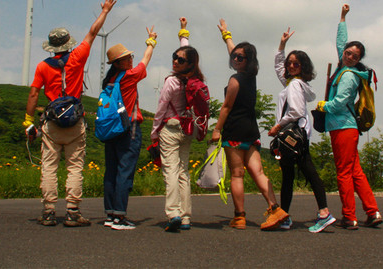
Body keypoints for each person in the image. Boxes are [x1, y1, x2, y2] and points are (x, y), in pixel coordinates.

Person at [24, 0, 116, 227]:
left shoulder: (42, 67)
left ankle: (48, 212)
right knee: (74, 167)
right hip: (75, 121)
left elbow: (33, 94)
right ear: (68, 43)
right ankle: (73, 212)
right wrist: (105, 11)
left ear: (51, 46)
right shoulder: (78, 57)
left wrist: (28, 121)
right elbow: (93, 33)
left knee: (49, 167)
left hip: (52, 123)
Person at [211, 19, 288, 231]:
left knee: (237, 174)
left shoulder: (235, 79)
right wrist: (226, 35)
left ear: (247, 61)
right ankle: (275, 209)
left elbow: (226, 107)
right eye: (234, 56)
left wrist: (216, 130)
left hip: (234, 131)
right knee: (258, 172)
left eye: (240, 57)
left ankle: (239, 217)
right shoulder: (251, 76)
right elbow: (236, 51)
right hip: (251, 131)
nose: (235, 59)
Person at [316, 4, 383, 230]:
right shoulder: (344, 67)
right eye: (348, 53)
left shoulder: (348, 76)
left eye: (355, 55)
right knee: (355, 171)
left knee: (344, 173)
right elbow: (340, 42)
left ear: (358, 59)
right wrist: (342, 18)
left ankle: (349, 216)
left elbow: (339, 103)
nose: (350, 56)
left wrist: (324, 106)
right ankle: (372, 212)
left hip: (342, 127)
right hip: (347, 128)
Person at [268, 28, 336, 233]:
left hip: (293, 135)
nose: (290, 66)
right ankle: (286, 216)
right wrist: (282, 45)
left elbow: (296, 111)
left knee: (304, 173)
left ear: (303, 67)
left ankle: (323, 213)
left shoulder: (295, 85)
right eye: (289, 63)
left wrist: (277, 126)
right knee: (292, 175)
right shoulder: (294, 83)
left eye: (295, 64)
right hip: (299, 135)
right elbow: (278, 66)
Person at [102, 25, 158, 230]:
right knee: (125, 171)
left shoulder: (108, 82)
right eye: (127, 58)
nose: (131, 60)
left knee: (111, 171)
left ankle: (110, 214)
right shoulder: (129, 76)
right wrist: (151, 41)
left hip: (111, 130)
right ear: (118, 63)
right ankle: (119, 216)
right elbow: (146, 59)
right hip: (128, 128)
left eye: (130, 56)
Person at [151, 17, 202, 232]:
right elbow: (188, 53)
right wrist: (183, 32)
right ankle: (186, 216)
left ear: (188, 64)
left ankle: (173, 213)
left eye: (179, 60)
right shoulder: (195, 80)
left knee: (170, 171)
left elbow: (161, 108)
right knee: (183, 172)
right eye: (174, 57)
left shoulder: (172, 82)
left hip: (171, 128)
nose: (175, 61)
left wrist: (154, 132)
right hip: (187, 129)